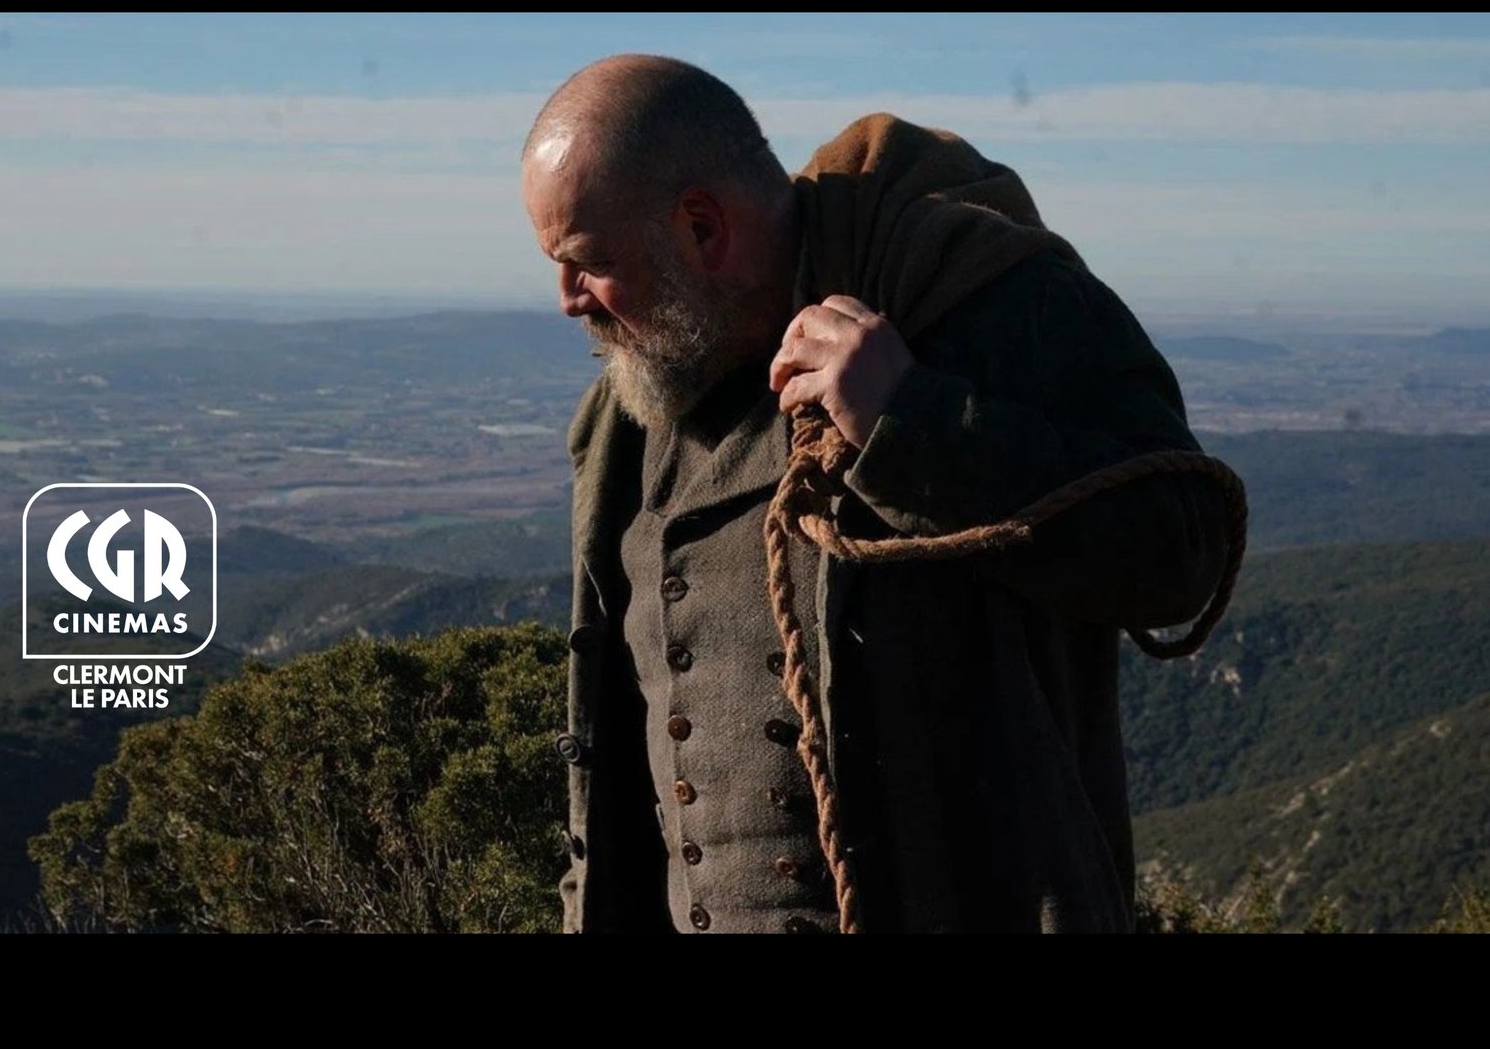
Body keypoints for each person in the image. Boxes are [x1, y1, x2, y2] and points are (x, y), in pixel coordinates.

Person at [520, 54, 1233, 933]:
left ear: (702, 227)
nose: (565, 299)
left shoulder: (974, 302)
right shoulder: (633, 407)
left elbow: (1181, 549)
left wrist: (912, 421)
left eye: (585, 261)